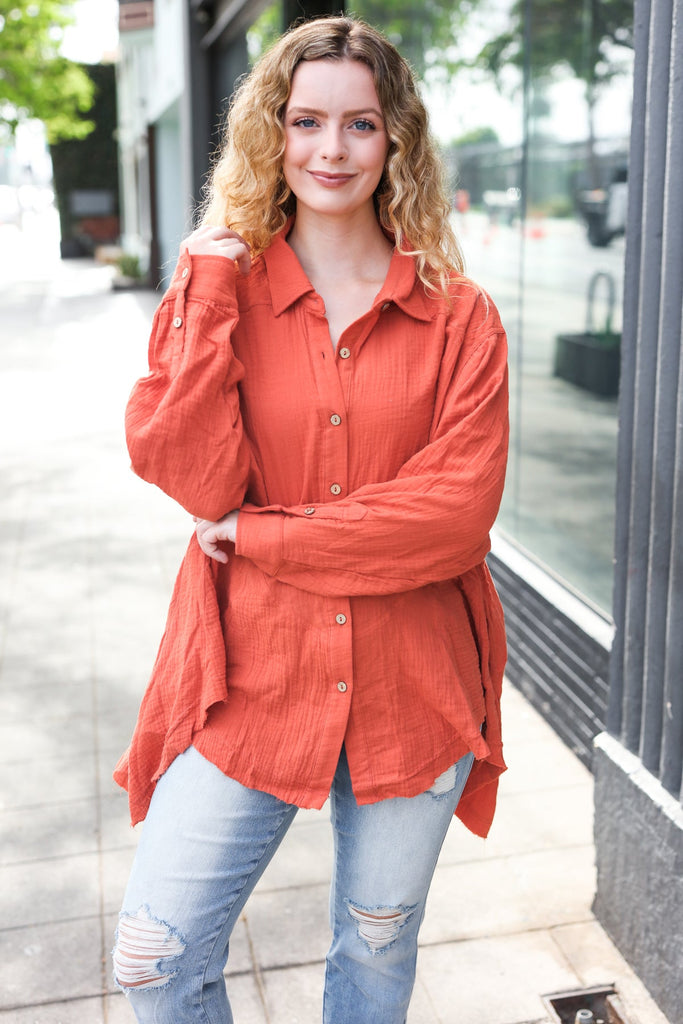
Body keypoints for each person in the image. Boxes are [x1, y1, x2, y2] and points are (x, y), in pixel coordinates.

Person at [112, 15, 509, 1024]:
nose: (331, 150)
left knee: (373, 958)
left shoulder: (459, 317)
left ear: (395, 141)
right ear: (272, 135)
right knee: (155, 959)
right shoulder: (225, 292)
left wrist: (264, 535)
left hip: (411, 690)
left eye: (360, 124)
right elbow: (189, 470)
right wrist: (205, 285)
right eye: (306, 121)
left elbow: (450, 520)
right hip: (246, 676)